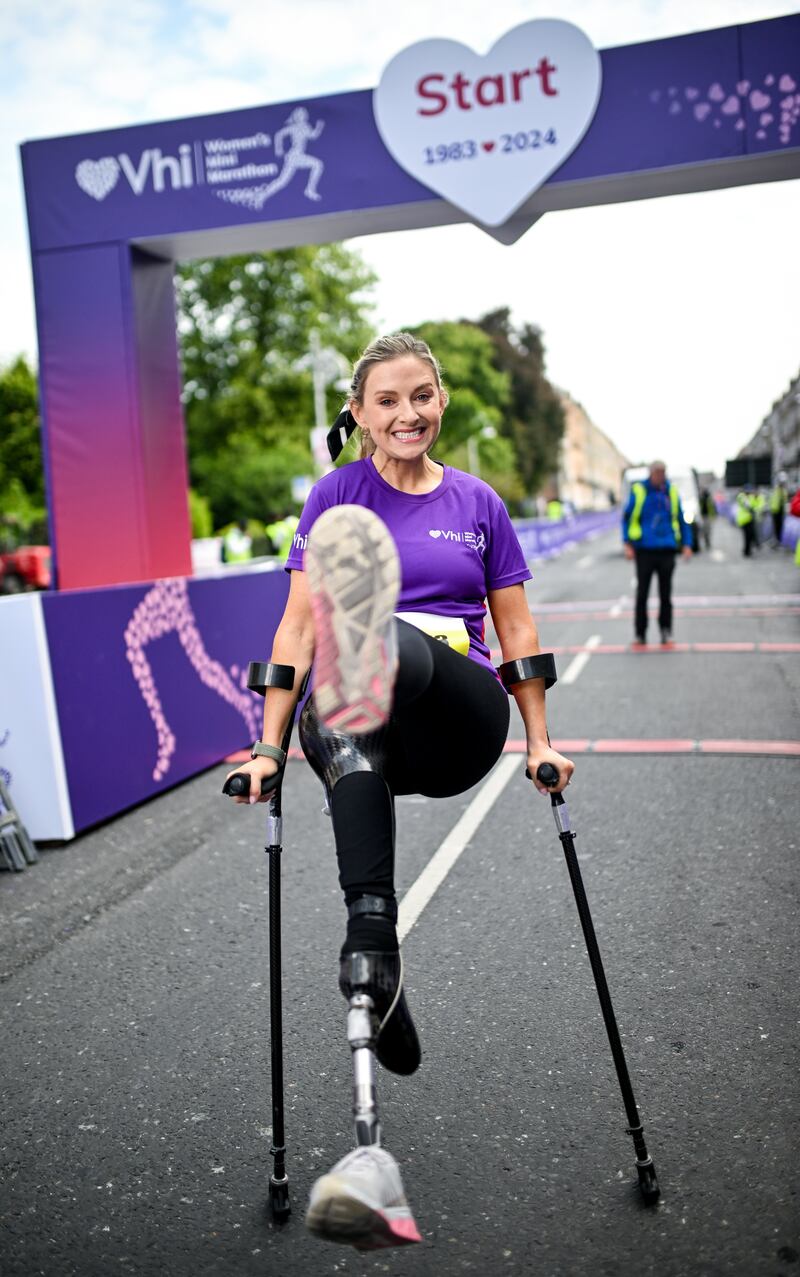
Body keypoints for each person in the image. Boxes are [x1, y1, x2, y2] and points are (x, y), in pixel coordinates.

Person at [224, 332, 573, 1250]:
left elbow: (517, 624)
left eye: (422, 396)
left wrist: (540, 740)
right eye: (387, 401)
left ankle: (378, 638)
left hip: (456, 715)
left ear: (442, 399)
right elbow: (298, 622)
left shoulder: (478, 504)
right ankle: (376, 958)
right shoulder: (335, 494)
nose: (407, 413)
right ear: (361, 410)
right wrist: (265, 746)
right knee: (339, 706)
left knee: (373, 646)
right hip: (358, 720)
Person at [621, 460, 692, 645]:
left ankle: (666, 631)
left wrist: (687, 544)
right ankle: (640, 633)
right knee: (642, 594)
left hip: (667, 549)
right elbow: (627, 518)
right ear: (651, 473)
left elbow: (681, 519)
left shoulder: (672, 491)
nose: (661, 476)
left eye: (663, 472)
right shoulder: (639, 490)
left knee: (666, 594)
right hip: (644, 550)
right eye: (658, 473)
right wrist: (627, 543)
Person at [735, 488, 757, 557]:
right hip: (744, 520)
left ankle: (747, 550)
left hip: (749, 520)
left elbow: (754, 505)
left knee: (749, 536)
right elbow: (747, 506)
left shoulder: (749, 497)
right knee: (747, 537)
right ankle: (747, 551)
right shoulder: (741, 496)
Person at [770, 472, 788, 548]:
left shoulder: (783, 491)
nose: (783, 484)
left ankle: (779, 540)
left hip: (781, 511)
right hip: (775, 511)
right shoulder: (776, 489)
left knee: (780, 527)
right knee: (776, 527)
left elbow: (784, 500)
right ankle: (776, 540)